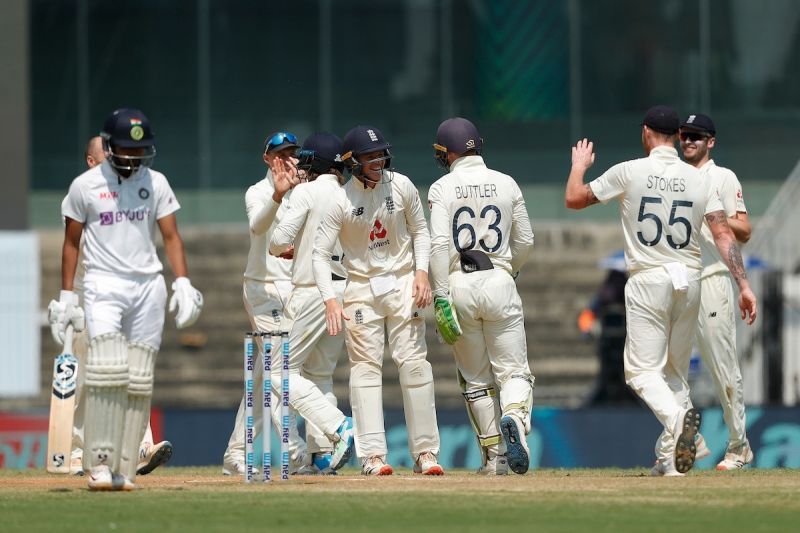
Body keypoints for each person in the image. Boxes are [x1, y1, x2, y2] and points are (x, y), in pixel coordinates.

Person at [564, 105, 757, 476]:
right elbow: (723, 235)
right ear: (675, 137)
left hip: (649, 277)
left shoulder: (630, 170)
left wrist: (579, 166)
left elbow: (574, 198)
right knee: (673, 374)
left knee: (639, 372)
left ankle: (685, 426)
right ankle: (671, 462)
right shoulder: (700, 179)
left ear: (647, 133)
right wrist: (744, 285)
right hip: (690, 279)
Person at [48, 108, 203, 491]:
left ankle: (126, 465)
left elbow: (171, 237)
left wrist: (182, 281)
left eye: (140, 151)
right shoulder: (85, 186)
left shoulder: (157, 182)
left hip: (147, 285)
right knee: (106, 368)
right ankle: (98, 464)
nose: (133, 158)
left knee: (138, 376)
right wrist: (67, 297)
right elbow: (70, 243)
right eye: (126, 150)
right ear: (109, 146)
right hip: (102, 284)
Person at [312, 125, 443, 476]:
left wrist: (421, 273)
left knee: (415, 364)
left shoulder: (401, 185)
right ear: (351, 161)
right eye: (370, 156)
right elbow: (318, 255)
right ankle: (372, 456)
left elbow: (421, 231)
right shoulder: (339, 199)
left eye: (381, 153)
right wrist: (330, 300)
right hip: (360, 289)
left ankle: (426, 453)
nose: (378, 160)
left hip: (402, 283)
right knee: (366, 371)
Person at [427, 117, 535, 475]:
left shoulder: (442, 188)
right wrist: (509, 270)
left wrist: (440, 296)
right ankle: (516, 416)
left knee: (475, 379)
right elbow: (526, 241)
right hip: (499, 280)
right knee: (514, 371)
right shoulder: (507, 183)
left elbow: (440, 245)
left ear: (447, 152)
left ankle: (495, 458)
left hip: (459, 283)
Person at [64, 135, 174, 477]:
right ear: (91, 162)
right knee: (86, 379)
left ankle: (139, 447)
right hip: (88, 298)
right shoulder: (82, 193)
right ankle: (73, 453)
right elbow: (77, 249)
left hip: (120, 297)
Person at [221, 131, 315, 476]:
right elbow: (257, 227)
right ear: (267, 159)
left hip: (293, 290)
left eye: (291, 153)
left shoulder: (305, 191)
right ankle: (295, 449)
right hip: (262, 291)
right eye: (278, 154)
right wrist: (277, 194)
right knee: (281, 372)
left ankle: (235, 453)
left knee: (265, 377)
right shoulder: (258, 192)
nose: (285, 159)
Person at [269, 132, 356, 473]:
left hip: (311, 292)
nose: (301, 170)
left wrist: (286, 247)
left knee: (279, 374)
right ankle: (323, 457)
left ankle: (339, 427)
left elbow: (277, 241)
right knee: (320, 375)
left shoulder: (305, 192)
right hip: (343, 293)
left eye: (306, 163)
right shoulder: (349, 195)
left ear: (315, 164)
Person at [680, 113, 754, 470]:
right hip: (677, 281)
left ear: (711, 142)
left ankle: (739, 446)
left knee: (723, 369)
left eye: (696, 136)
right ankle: (680, 440)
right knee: (665, 366)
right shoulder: (673, 177)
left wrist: (716, 216)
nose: (688, 141)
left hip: (711, 278)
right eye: (684, 135)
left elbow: (744, 228)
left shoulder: (722, 177)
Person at [577, 257, 639, 406]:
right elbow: (588, 315)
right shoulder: (612, 293)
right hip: (610, 343)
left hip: (622, 343)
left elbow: (588, 314)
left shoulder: (608, 293)